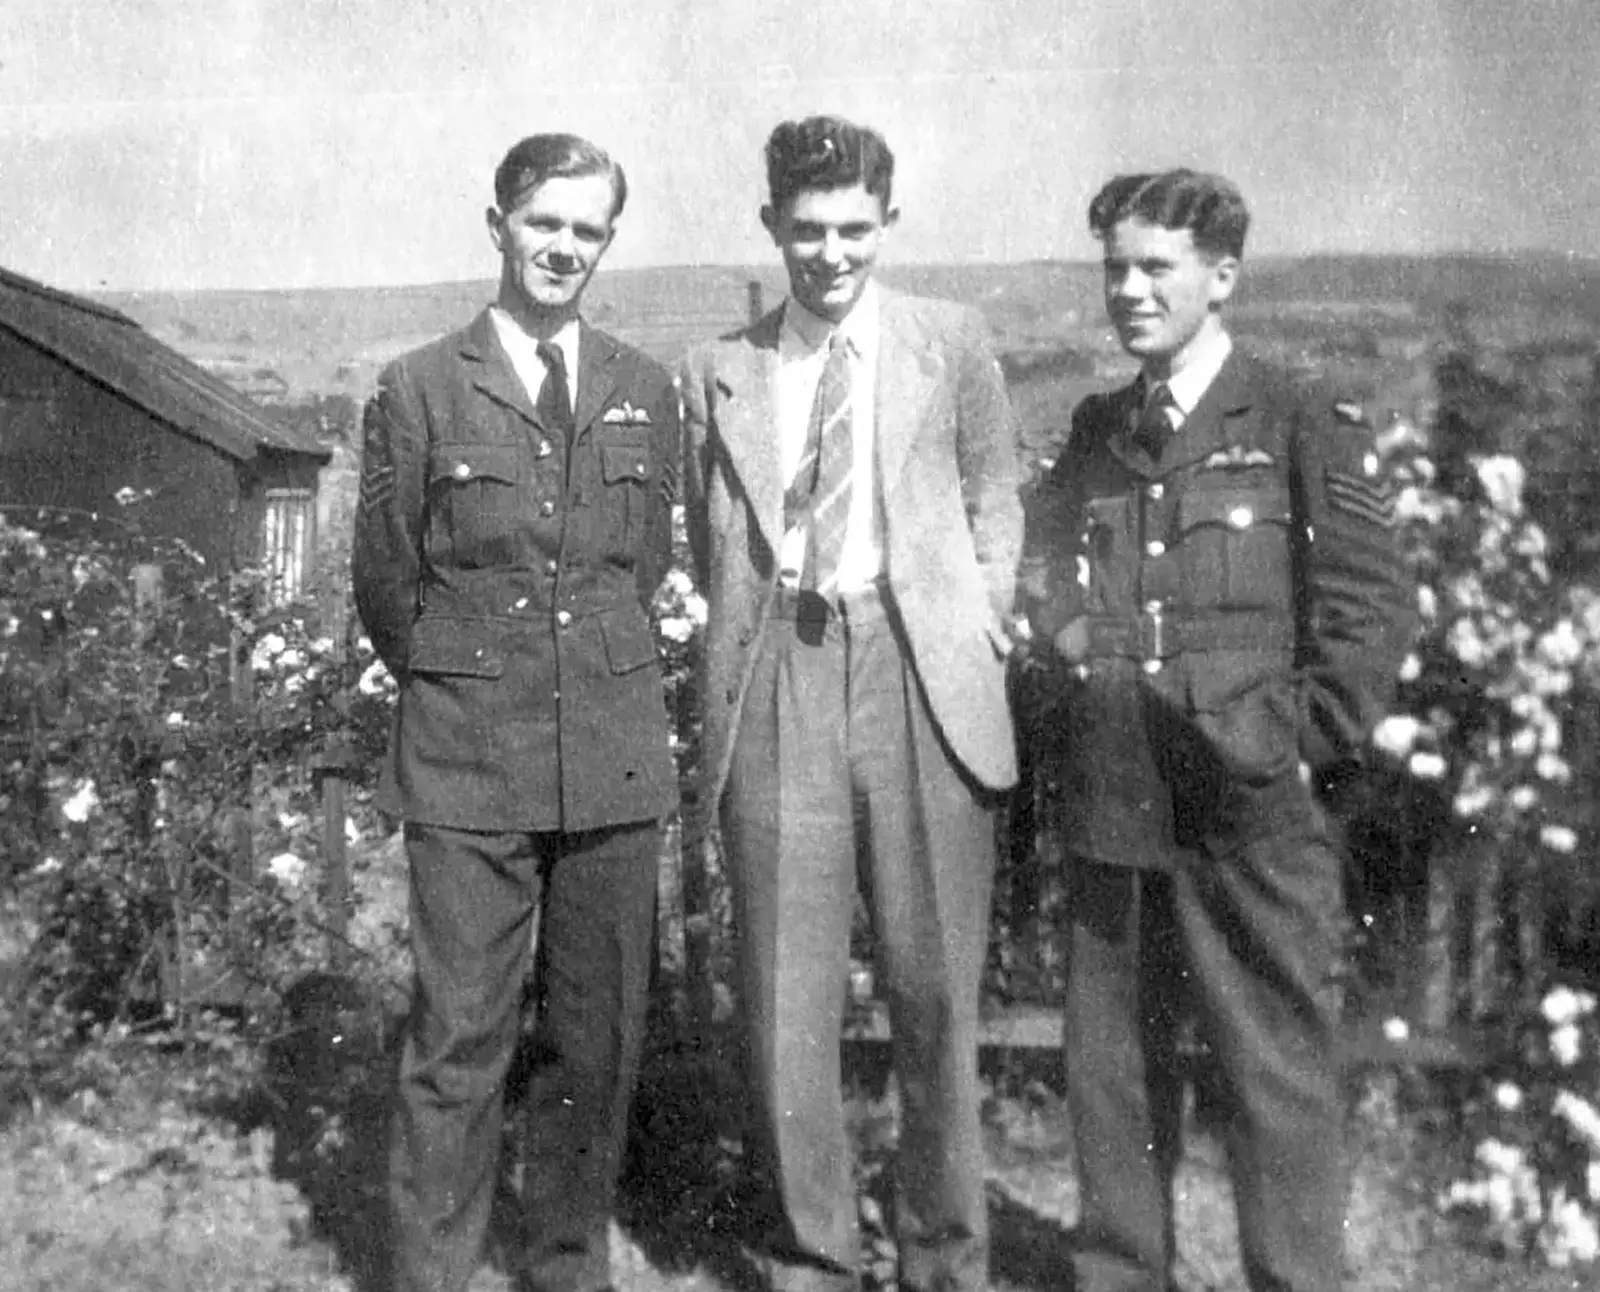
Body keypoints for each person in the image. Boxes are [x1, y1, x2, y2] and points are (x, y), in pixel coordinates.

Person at [1018, 169, 1415, 1292]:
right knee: (1112, 1076)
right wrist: (1066, 642)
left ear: (1221, 275)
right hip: (1114, 793)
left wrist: (1286, 741)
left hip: (1250, 814)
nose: (1130, 292)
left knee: (1273, 1075)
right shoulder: (1100, 429)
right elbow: (1046, 567)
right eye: (1115, 270)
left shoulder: (1295, 416)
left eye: (1157, 268)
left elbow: (1367, 611)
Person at [679, 115, 1023, 1292]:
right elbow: (704, 529)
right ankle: (811, 1253)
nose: (830, 253)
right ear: (772, 223)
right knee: (785, 995)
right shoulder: (718, 367)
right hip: (780, 660)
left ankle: (942, 1256)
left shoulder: (951, 340)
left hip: (916, 667)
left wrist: (983, 605)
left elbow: (995, 486)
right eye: (808, 229)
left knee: (933, 991)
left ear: (888, 221)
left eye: (854, 230)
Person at [352, 132, 679, 1292]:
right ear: (497, 223)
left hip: (609, 757)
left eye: (587, 230)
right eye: (545, 222)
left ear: (607, 245)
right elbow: (389, 584)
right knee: (458, 1038)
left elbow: (637, 570)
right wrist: (476, 681)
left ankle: (562, 1264)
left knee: (595, 1037)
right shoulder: (420, 387)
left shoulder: (645, 388)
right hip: (467, 757)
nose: (564, 247)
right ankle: (432, 1269)